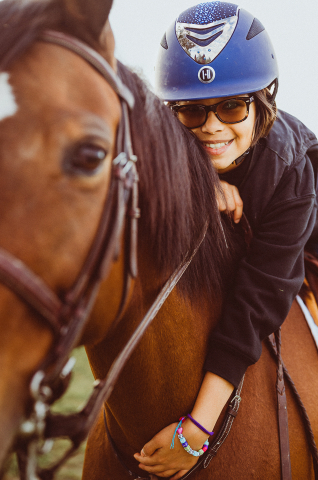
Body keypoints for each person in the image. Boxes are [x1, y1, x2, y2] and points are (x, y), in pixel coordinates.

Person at [134, 2, 318, 479]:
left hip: (302, 244)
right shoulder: (166, 137)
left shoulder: (289, 169)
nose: (212, 126)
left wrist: (197, 430)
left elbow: (259, 300)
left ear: (263, 99)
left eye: (233, 105)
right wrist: (199, 182)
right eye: (192, 109)